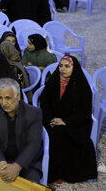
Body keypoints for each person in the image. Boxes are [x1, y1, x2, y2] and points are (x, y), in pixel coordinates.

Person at [40, 55, 97, 183]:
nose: (62, 69)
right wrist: (51, 119)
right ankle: (51, 171)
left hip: (75, 123)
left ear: (74, 67)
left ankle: (61, 173)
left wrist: (65, 121)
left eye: (67, 66)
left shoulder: (82, 86)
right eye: (60, 66)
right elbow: (44, 102)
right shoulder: (54, 80)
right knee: (53, 131)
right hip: (52, 120)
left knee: (62, 132)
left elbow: (84, 112)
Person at [0, 78, 44, 183]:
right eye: (0, 98)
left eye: (8, 98)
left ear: (18, 96)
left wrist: (17, 166)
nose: (4, 103)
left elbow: (34, 144)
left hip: (25, 161)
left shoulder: (33, 113)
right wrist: (1, 162)